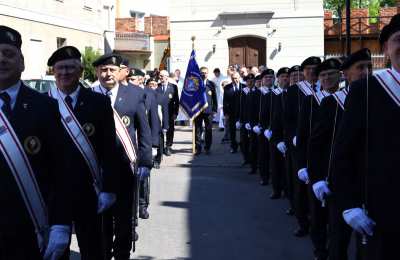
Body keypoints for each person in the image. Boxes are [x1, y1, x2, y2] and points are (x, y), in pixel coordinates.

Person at [332, 14, 400, 260]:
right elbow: (344, 151)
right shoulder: (367, 90)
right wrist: (349, 203)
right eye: (398, 40)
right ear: (386, 49)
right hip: (380, 213)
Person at [0, 26, 72, 259]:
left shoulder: (44, 106)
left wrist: (61, 223)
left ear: (21, 63)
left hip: (31, 226)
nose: (1, 59)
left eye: (8, 54)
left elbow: (61, 171)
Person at [47, 46, 118, 260]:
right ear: (53, 71)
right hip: (53, 193)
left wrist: (108, 189)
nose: (65, 72)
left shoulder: (99, 102)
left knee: (93, 249)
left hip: (90, 191)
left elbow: (109, 149)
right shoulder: (43, 102)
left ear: (80, 72)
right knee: (56, 252)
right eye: (60, 68)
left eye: (70, 67)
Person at [308, 49, 371, 260]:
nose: (366, 72)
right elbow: (316, 145)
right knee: (338, 239)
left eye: (369, 67)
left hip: (372, 181)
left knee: (371, 244)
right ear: (346, 74)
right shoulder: (332, 102)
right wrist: (317, 178)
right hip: (340, 180)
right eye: (360, 68)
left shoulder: (379, 98)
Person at [92, 53, 153, 260]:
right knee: (102, 221)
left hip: (125, 169)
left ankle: (122, 254)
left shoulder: (135, 94)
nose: (107, 74)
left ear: (120, 72)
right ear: (97, 72)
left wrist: (146, 161)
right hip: (98, 170)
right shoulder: (89, 96)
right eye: (103, 70)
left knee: (125, 219)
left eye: (111, 69)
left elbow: (144, 130)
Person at [306, 58, 342, 260]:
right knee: (318, 215)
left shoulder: (348, 98)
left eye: (331, 74)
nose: (327, 78)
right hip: (317, 166)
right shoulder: (312, 100)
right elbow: (304, 136)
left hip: (341, 168)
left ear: (340, 75)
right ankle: (320, 249)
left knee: (337, 218)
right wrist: (304, 166)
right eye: (323, 75)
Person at [293, 56, 322, 237]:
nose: (311, 72)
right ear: (303, 72)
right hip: (301, 145)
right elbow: (286, 119)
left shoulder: (327, 89)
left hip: (322, 148)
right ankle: (303, 223)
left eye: (314, 68)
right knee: (301, 190)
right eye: (308, 69)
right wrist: (290, 138)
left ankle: (320, 224)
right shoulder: (294, 92)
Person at [270, 67, 290, 196]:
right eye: (282, 76)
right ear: (278, 79)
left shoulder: (293, 93)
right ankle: (276, 190)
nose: (285, 79)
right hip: (275, 134)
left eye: (287, 76)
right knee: (276, 164)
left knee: (288, 166)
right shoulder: (272, 94)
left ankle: (288, 190)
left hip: (288, 134)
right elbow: (267, 114)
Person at [194, 67, 218, 155]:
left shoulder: (211, 84)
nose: (204, 74)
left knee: (208, 130)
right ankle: (198, 148)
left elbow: (215, 98)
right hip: (198, 111)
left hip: (208, 111)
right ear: (199, 73)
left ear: (208, 73)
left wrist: (215, 110)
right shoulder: (195, 83)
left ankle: (207, 147)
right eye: (202, 73)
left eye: (205, 73)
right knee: (198, 130)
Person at [157, 70, 179, 156]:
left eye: (162, 76)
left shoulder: (173, 87)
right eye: (160, 76)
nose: (160, 78)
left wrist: (175, 113)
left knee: (170, 130)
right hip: (159, 112)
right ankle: (161, 146)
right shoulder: (157, 86)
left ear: (167, 77)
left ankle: (168, 146)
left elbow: (176, 101)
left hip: (170, 112)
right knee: (160, 129)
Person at [223, 72, 245, 153]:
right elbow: (225, 101)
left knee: (243, 131)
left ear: (239, 78)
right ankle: (233, 146)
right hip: (231, 112)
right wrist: (226, 113)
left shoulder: (244, 86)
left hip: (242, 112)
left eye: (236, 78)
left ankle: (243, 146)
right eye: (233, 78)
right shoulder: (227, 87)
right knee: (232, 131)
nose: (234, 80)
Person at [239, 73, 255, 167]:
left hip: (253, 120)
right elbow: (239, 106)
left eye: (252, 81)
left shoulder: (257, 91)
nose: (250, 82)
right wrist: (238, 119)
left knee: (253, 142)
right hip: (244, 120)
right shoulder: (242, 92)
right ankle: (246, 158)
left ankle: (253, 160)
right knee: (243, 141)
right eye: (248, 81)